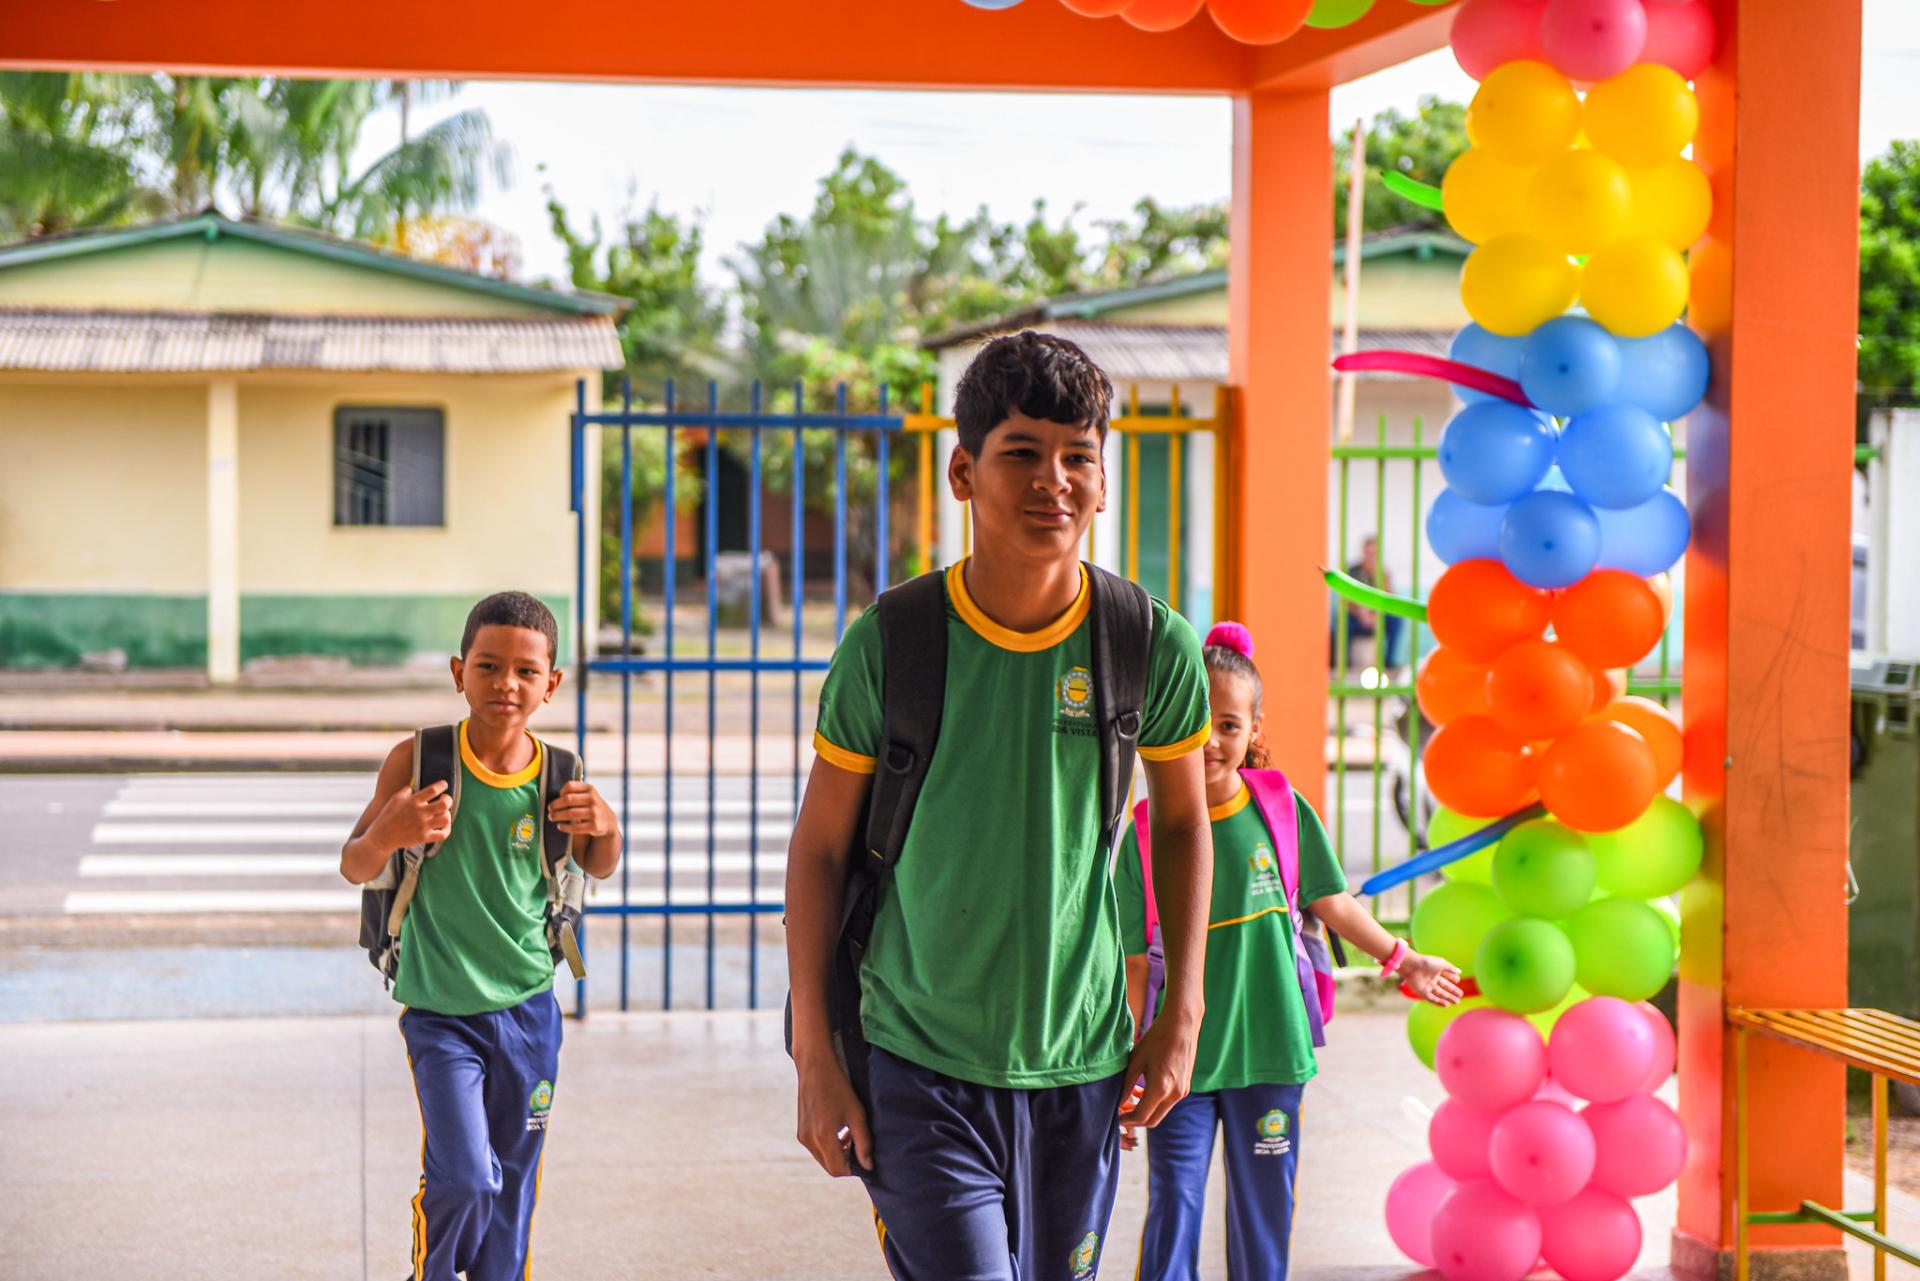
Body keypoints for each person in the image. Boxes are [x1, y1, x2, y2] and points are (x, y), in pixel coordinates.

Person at [784, 330, 1215, 1281]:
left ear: (1103, 482)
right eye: (1021, 452)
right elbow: (818, 850)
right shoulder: (891, 642)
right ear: (963, 471)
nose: (1051, 479)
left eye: (1077, 456)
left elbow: (1182, 825)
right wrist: (818, 1058)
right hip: (916, 1055)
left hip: (1085, 1059)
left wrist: (1179, 1012)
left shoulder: (1147, 642)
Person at [1116, 621, 1463, 1281]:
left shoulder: (1282, 809)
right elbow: (1135, 968)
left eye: (1228, 724)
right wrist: (1126, 1068)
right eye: (1196, 723)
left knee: (1264, 1208)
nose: (1212, 741)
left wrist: (1403, 958)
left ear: (1253, 728)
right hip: (1177, 1067)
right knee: (1174, 1204)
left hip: (1272, 1052)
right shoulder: (1142, 834)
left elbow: (1333, 903)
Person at [338, 591, 620, 1281]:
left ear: (551, 685)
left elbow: (597, 863)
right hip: (440, 1013)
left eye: (526, 671)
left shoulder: (561, 773)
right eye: (489, 666)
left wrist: (607, 826)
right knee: (465, 1176)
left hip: (528, 1011)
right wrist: (389, 832)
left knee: (514, 1182)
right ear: (459, 670)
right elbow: (355, 863)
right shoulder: (418, 759)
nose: (506, 684)